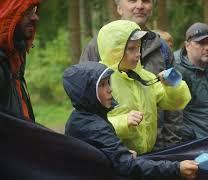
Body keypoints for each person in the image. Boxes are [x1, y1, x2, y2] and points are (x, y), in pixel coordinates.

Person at [63, 62, 198, 179]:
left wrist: (120, 154)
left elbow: (97, 155)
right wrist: (177, 168)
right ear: (87, 93)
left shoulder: (80, 117)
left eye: (109, 83)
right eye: (102, 85)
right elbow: (128, 166)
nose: (110, 90)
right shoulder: (94, 126)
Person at [80, 0, 181, 150]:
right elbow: (83, 100)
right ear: (119, 8)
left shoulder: (162, 48)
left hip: (158, 149)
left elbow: (174, 103)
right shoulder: (98, 45)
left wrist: (173, 146)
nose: (140, 5)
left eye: (146, 1)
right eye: (132, 0)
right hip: (112, 150)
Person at [97, 20, 191, 154]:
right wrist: (123, 122)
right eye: (131, 48)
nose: (138, 54)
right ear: (114, 50)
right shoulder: (100, 80)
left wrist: (173, 84)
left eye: (139, 47)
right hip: (113, 159)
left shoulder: (145, 77)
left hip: (147, 156)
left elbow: (177, 103)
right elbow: (89, 125)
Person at [0, 0, 40, 122]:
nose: (35, 17)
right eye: (27, 11)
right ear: (8, 14)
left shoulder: (15, 55)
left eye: (34, 10)